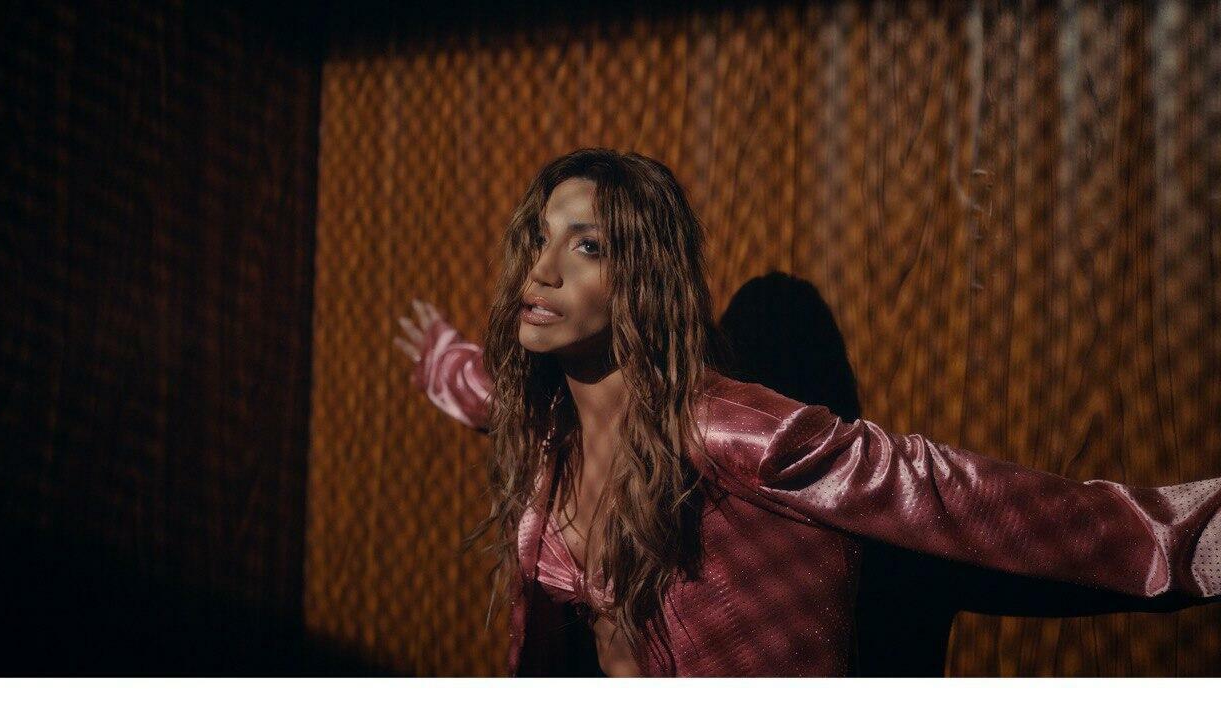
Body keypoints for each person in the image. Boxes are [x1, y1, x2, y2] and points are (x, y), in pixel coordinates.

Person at [392, 147, 1221, 677]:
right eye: (538, 240)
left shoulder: (736, 434)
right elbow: (495, 399)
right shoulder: (552, 430)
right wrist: (445, 368)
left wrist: (1187, 539)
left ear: (642, 279)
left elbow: (960, 497)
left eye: (586, 246)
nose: (540, 270)